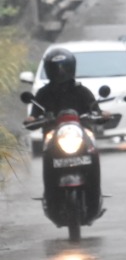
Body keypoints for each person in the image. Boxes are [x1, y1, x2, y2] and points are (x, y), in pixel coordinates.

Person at [25, 47, 103, 209]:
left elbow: (96, 110)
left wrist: (101, 114)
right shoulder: (43, 93)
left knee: (94, 158)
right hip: (53, 140)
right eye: (56, 69)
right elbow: (35, 114)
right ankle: (50, 199)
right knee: (48, 164)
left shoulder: (82, 91)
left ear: (71, 68)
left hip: (82, 137)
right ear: (49, 70)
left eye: (64, 68)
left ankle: (95, 197)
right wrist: (32, 119)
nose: (60, 72)